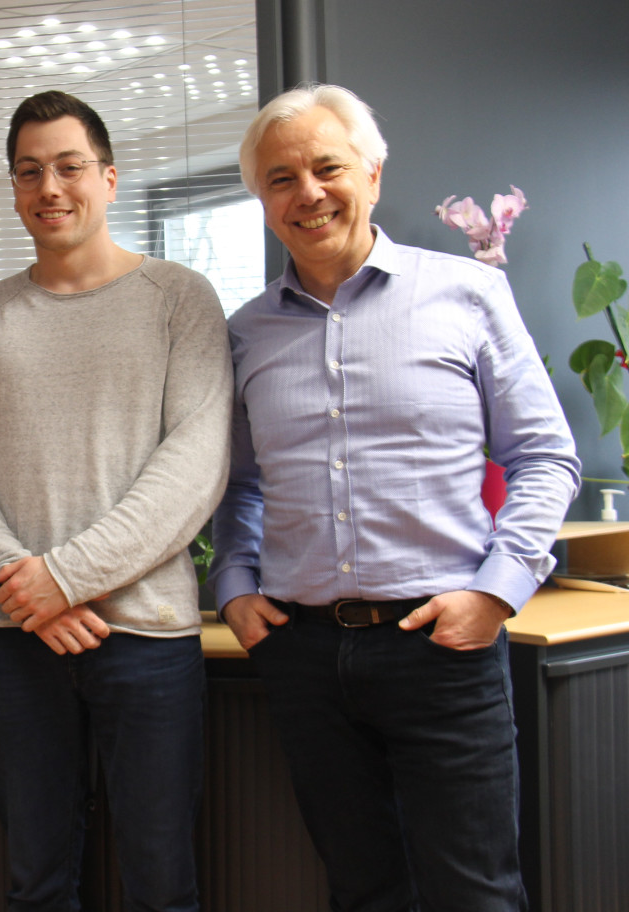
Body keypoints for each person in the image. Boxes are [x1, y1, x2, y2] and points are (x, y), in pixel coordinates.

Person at [209, 84, 581, 912]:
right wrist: (233, 585)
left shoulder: (467, 294)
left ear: (372, 174)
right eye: (279, 178)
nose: (307, 193)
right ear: (261, 199)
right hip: (305, 658)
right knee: (362, 892)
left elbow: (546, 456)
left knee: (475, 894)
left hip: (440, 650)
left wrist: (497, 589)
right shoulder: (244, 333)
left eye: (327, 167)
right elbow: (238, 482)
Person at [0, 91, 232, 911]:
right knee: (36, 882)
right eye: (30, 172)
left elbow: (194, 468)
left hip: (147, 638)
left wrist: (61, 578)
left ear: (109, 177)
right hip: (16, 639)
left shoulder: (180, 298)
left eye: (68, 167)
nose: (49, 187)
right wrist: (26, 590)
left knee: (162, 884)